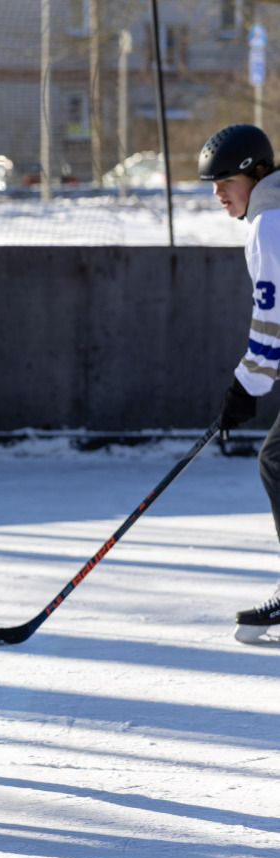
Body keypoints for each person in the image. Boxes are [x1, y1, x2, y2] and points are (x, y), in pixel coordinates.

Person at [200, 124, 280, 645]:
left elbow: (271, 322)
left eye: (225, 181)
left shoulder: (269, 225)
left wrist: (245, 388)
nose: (218, 193)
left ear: (256, 173)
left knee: (277, 460)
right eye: (213, 184)